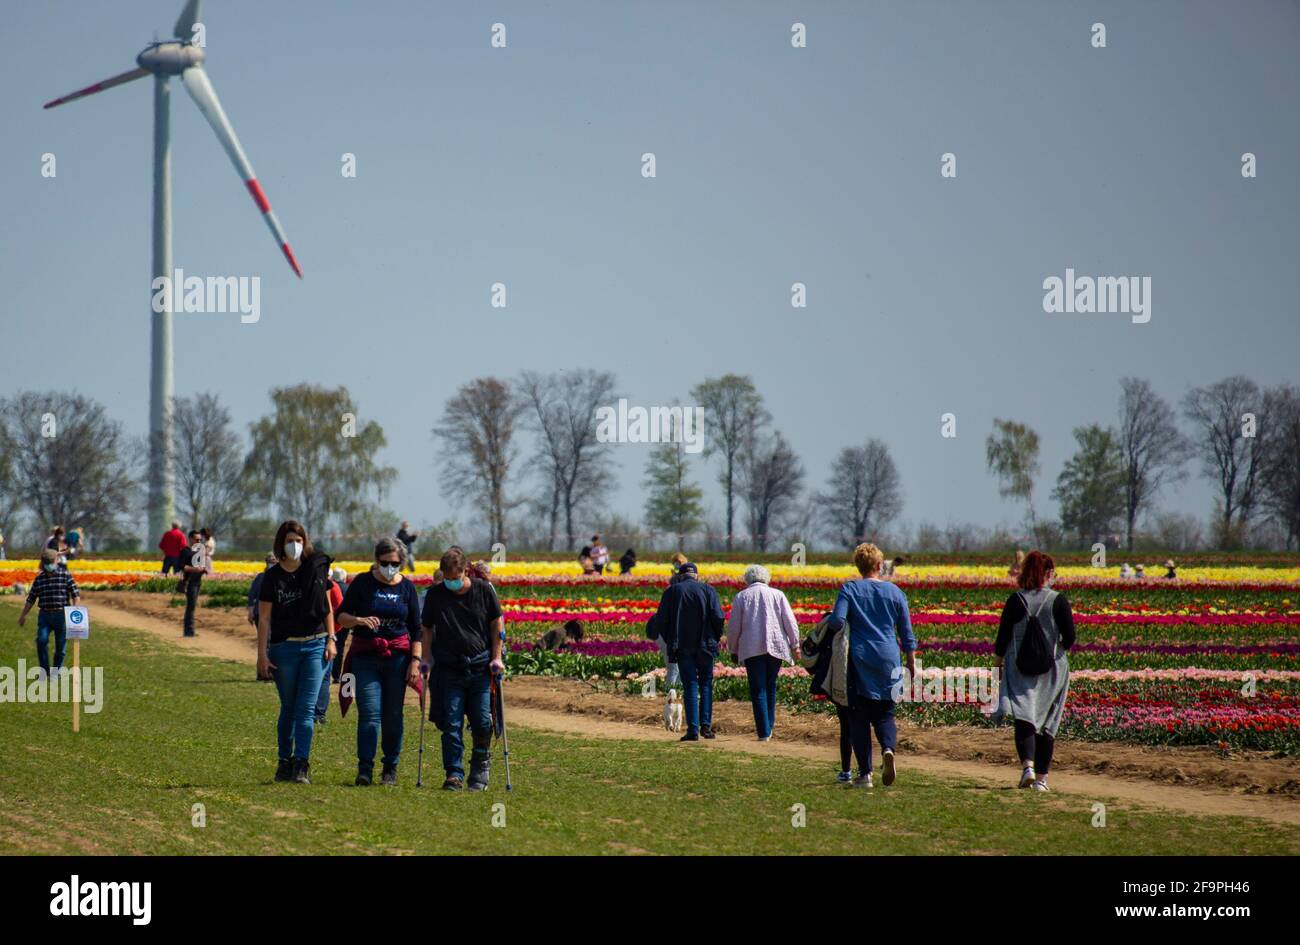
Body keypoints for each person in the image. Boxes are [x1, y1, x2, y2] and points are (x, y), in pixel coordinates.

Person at [825, 543, 917, 789]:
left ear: (859, 566)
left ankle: (865, 774)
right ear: (879, 566)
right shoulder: (896, 593)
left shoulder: (850, 589)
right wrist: (911, 661)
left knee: (858, 716)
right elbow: (906, 632)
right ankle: (888, 748)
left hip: (860, 657)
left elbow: (837, 621)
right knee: (886, 713)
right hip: (889, 657)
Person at [336, 539, 423, 786]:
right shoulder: (362, 583)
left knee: (393, 714)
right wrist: (359, 620)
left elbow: (417, 628)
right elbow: (341, 615)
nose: (389, 568)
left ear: (402, 563)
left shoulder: (407, 588)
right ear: (376, 560)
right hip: (366, 657)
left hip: (398, 659)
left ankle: (390, 768)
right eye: (384, 563)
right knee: (369, 714)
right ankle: (365, 768)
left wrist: (415, 661)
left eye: (394, 564)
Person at [256, 521, 336, 785]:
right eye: (290, 540)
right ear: (281, 543)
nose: (295, 545)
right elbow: (264, 618)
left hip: (315, 644)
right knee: (289, 708)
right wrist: (262, 655)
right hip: (284, 647)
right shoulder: (272, 577)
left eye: (299, 540)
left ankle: (302, 763)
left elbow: (327, 607)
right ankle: (284, 761)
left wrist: (332, 639)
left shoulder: (313, 569)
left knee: (305, 708)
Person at [420, 547, 505, 791]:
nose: (450, 583)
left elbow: (496, 623)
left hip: (479, 667)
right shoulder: (436, 595)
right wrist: (426, 657)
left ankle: (480, 763)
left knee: (481, 721)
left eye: (454, 578)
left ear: (465, 571)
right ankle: (453, 773)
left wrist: (497, 657)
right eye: (446, 578)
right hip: (449, 668)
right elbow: (426, 627)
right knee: (451, 723)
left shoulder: (483, 590)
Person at [993, 550, 1076, 792]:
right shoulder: (1058, 600)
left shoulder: (1015, 600)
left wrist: (996, 665)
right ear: (1048, 573)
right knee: (1048, 720)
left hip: (1020, 668)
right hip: (1052, 670)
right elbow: (1070, 638)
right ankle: (1041, 780)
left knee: (1024, 716)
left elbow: (1003, 637)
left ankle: (1027, 767)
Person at [724, 565, 801, 741]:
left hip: (752, 648)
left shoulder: (741, 596)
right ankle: (769, 725)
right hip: (776, 646)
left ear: (748, 579)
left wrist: (733, 648)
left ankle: (764, 731)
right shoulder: (778, 594)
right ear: (766, 578)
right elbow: (790, 622)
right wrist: (795, 645)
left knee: (758, 689)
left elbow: (734, 627)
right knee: (770, 685)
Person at [650, 562, 725, 741]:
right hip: (705, 645)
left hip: (682, 646)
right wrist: (715, 636)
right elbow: (719, 616)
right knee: (706, 683)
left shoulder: (672, 591)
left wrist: (670, 639)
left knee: (690, 684)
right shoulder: (708, 590)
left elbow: (661, 620)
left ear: (680, 576)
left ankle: (693, 729)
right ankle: (705, 727)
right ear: (696, 576)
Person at [802, 611, 855, 781]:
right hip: (867, 677)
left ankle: (847, 771)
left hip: (841, 677)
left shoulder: (834, 621)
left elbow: (812, 645)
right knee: (868, 722)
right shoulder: (869, 621)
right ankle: (880, 756)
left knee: (846, 726)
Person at [17, 548, 81, 680]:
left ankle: (56, 673)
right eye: (46, 562)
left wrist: (75, 609)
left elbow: (75, 594)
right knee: (41, 641)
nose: (49, 565)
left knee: (60, 647)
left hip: (61, 616)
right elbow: (31, 599)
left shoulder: (65, 575)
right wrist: (23, 615)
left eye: (50, 562)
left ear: (56, 561)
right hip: (45, 616)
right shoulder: (39, 579)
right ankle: (45, 671)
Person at [313, 570, 346, 723]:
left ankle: (312, 711)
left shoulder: (311, 583)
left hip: (315, 633)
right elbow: (339, 608)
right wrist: (335, 631)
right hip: (327, 633)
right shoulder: (332, 586)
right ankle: (319, 713)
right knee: (324, 674)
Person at [181, 529, 206, 638]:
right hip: (189, 582)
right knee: (190, 606)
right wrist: (194, 569)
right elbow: (181, 566)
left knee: (192, 606)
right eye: (196, 539)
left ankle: (190, 630)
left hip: (197, 582)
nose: (199, 541)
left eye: (200, 539)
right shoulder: (185, 551)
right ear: (190, 539)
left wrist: (203, 569)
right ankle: (189, 631)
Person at [328, 567, 350, 682]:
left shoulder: (329, 586)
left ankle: (328, 671)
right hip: (344, 622)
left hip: (329, 622)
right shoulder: (348, 588)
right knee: (340, 647)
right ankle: (336, 675)